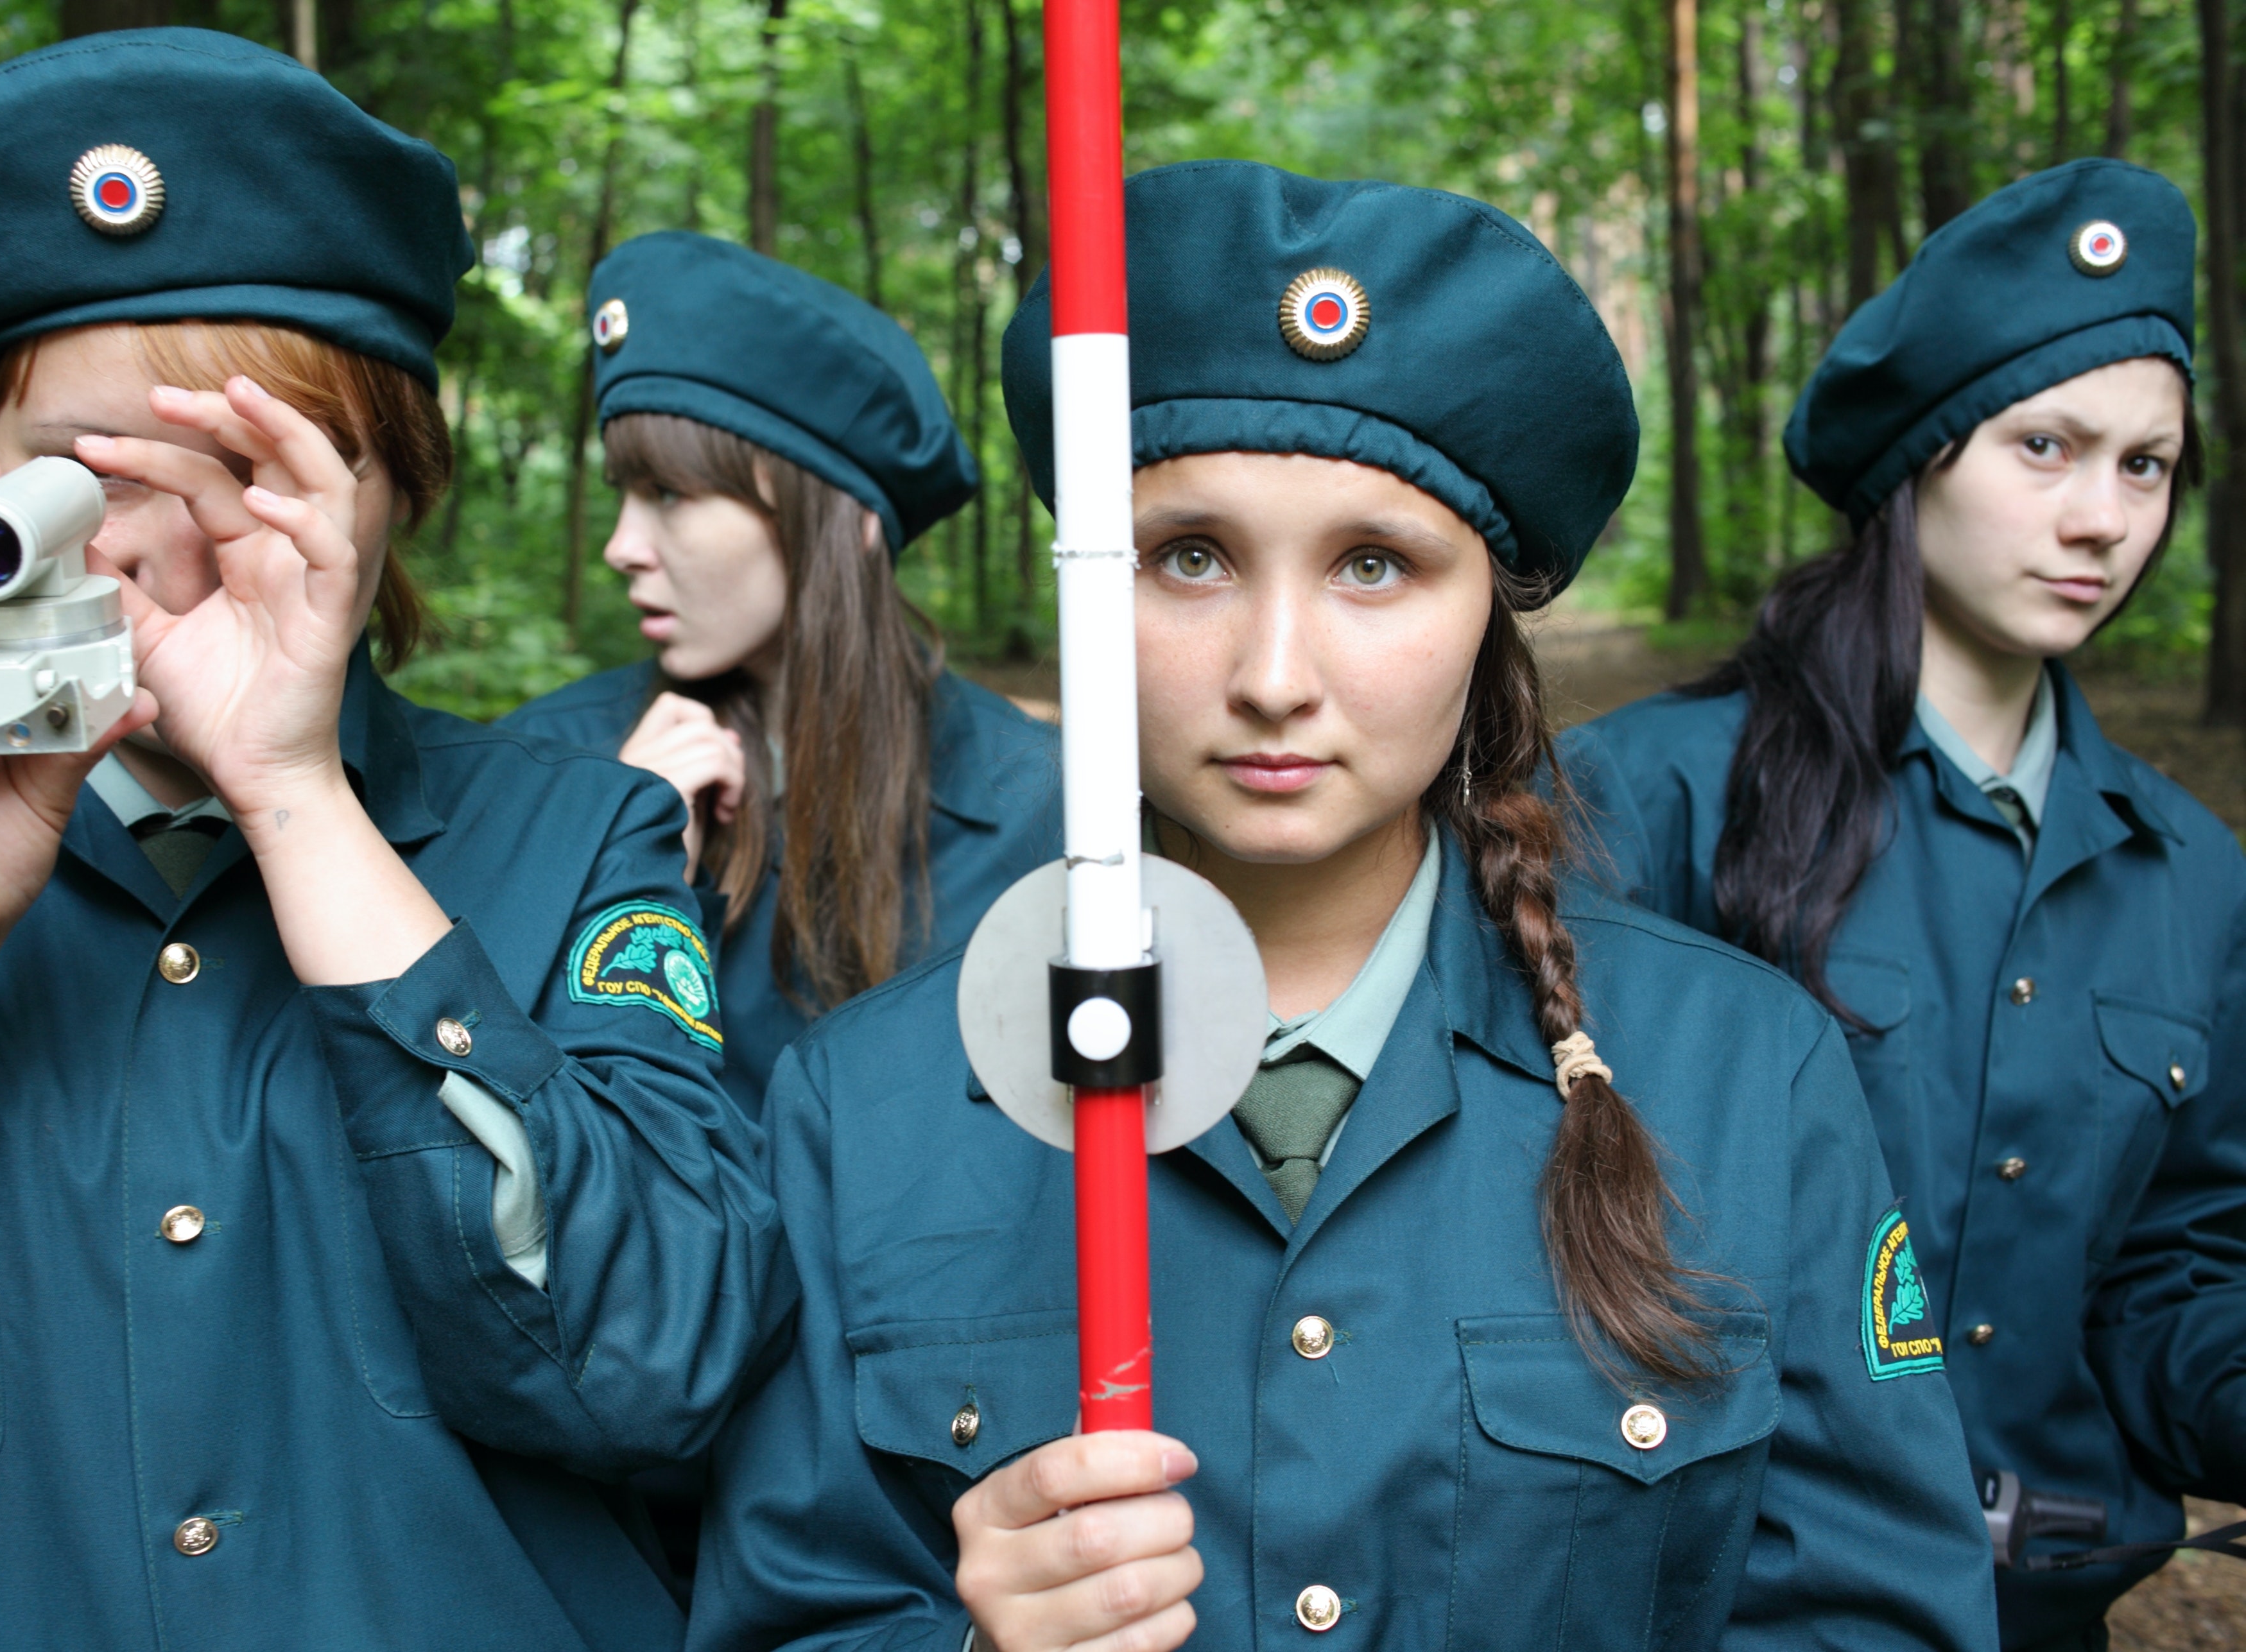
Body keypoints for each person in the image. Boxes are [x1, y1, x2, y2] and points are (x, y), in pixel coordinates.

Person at [687, 160, 2000, 1652]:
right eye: (1188, 558)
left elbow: (1878, 1617)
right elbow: (781, 1616)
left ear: (1486, 619)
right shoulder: (870, 1111)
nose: (1269, 670)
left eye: (1374, 566)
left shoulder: (1741, 1078)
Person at [0, 31, 786, 1648]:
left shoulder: (575, 832)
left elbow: (656, 1376)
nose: (157, 536)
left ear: (391, 503)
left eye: (243, 466)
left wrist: (297, 799)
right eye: (74, 472)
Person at [1560, 158, 2246, 1652]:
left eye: (2144, 465)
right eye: (2044, 447)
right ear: (1915, 461)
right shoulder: (1656, 798)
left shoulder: (2188, 873)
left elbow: (2168, 1269)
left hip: (2046, 1608)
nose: (2100, 518)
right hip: (1719, 1605)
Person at [501, 234, 1060, 1118]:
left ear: (846, 521)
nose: (620, 546)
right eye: (620, 491)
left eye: (670, 494)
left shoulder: (1045, 812)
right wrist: (624, 866)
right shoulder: (547, 767)